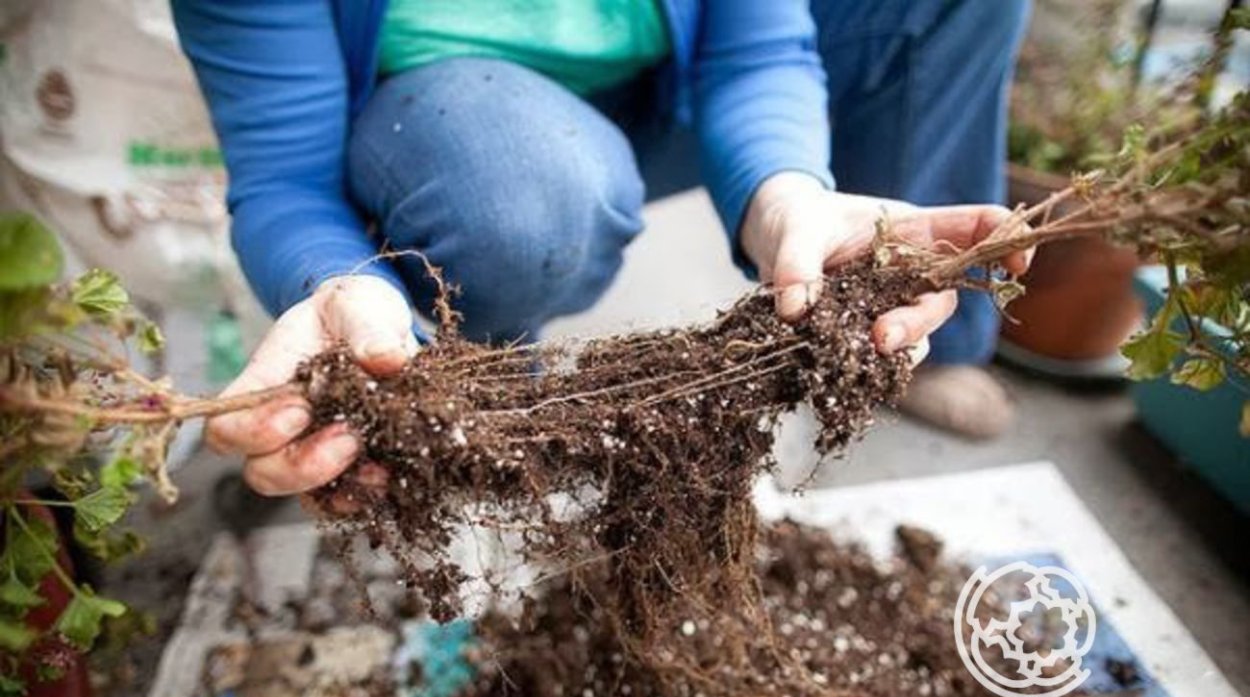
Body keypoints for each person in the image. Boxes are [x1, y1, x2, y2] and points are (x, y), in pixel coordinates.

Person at [172, 0, 1033, 498]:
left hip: (666, 88)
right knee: (518, 202)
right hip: (449, 123)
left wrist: (786, 195)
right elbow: (288, 177)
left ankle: (889, 316)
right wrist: (336, 284)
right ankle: (471, 409)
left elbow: (756, 51)